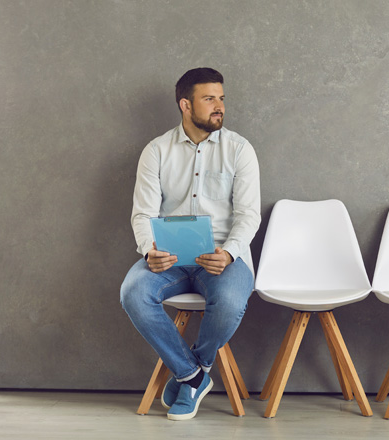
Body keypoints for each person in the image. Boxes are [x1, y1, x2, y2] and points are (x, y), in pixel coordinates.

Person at [120, 67, 260, 421]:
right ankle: (192, 376)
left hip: (223, 256)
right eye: (209, 99)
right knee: (133, 292)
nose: (220, 107)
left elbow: (249, 215)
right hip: (168, 258)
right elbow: (142, 214)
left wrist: (228, 252)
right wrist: (148, 249)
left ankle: (190, 372)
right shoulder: (156, 151)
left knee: (229, 300)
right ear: (186, 104)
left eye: (222, 98)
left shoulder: (239, 149)